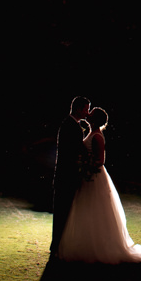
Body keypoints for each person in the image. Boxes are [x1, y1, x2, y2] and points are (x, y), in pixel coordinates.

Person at [56, 107, 141, 263]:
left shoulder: (98, 136)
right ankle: (86, 243)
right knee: (86, 209)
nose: (87, 114)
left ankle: (100, 246)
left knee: (96, 210)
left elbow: (100, 160)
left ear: (94, 119)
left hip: (94, 177)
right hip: (88, 177)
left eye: (90, 114)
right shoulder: (91, 133)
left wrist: (86, 166)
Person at [51, 95, 92, 253]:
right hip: (66, 176)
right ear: (79, 108)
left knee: (65, 213)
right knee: (62, 212)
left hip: (66, 176)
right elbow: (72, 153)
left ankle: (60, 245)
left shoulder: (72, 124)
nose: (87, 113)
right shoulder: (70, 126)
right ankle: (57, 246)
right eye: (86, 109)